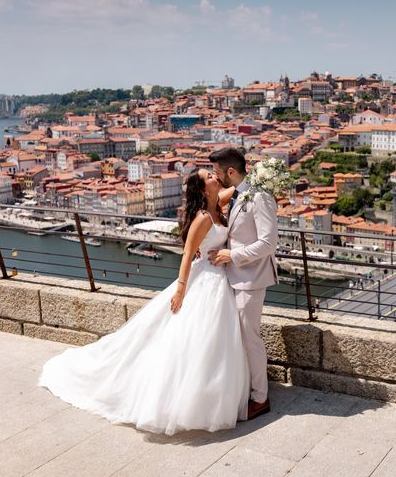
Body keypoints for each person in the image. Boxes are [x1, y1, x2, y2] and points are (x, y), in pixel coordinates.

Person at [39, 169, 249, 435]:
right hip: (205, 280)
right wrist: (181, 290)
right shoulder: (204, 218)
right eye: (209, 176)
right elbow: (186, 255)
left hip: (218, 280)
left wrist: (257, 176)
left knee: (213, 340)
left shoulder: (218, 205)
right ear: (202, 189)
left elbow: (243, 188)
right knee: (197, 339)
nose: (215, 177)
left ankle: (211, 393)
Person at [208, 147, 278, 421]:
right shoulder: (239, 193)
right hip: (235, 277)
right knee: (240, 338)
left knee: (251, 340)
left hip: (251, 278)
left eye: (216, 172)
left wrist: (231, 255)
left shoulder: (259, 197)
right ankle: (246, 388)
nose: (216, 177)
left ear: (231, 172)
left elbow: (268, 243)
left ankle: (260, 398)